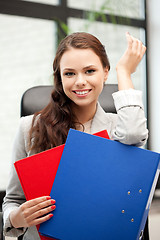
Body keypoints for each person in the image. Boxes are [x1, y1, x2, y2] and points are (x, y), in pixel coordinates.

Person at [3, 32, 149, 240]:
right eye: (69, 73)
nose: (80, 81)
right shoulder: (30, 128)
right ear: (60, 78)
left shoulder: (120, 127)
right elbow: (13, 201)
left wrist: (124, 72)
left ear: (106, 73)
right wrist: (17, 218)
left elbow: (135, 133)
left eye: (90, 71)